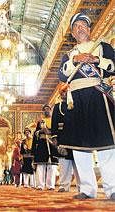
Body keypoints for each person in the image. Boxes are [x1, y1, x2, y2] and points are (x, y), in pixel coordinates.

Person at [58, 13, 115, 200]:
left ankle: (112, 188)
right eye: (76, 27)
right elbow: (62, 76)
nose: (80, 28)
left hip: (99, 96)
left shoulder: (103, 47)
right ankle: (88, 189)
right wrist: (75, 60)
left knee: (106, 144)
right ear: (73, 33)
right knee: (79, 146)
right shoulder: (68, 55)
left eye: (83, 25)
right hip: (77, 101)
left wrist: (97, 60)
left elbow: (114, 66)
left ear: (89, 29)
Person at [51, 85, 80, 192]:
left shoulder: (75, 104)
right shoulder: (57, 106)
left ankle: (82, 187)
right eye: (62, 93)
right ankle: (64, 185)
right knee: (64, 162)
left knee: (78, 161)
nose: (63, 94)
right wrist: (54, 137)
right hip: (62, 137)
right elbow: (54, 122)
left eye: (66, 92)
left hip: (76, 137)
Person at [32, 105, 58, 190]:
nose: (46, 111)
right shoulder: (41, 122)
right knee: (40, 166)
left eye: (48, 109)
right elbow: (35, 133)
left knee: (52, 166)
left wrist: (49, 132)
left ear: (51, 110)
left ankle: (50, 185)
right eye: (45, 110)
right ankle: (40, 185)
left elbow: (57, 131)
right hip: (42, 145)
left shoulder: (54, 120)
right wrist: (41, 131)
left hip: (52, 144)